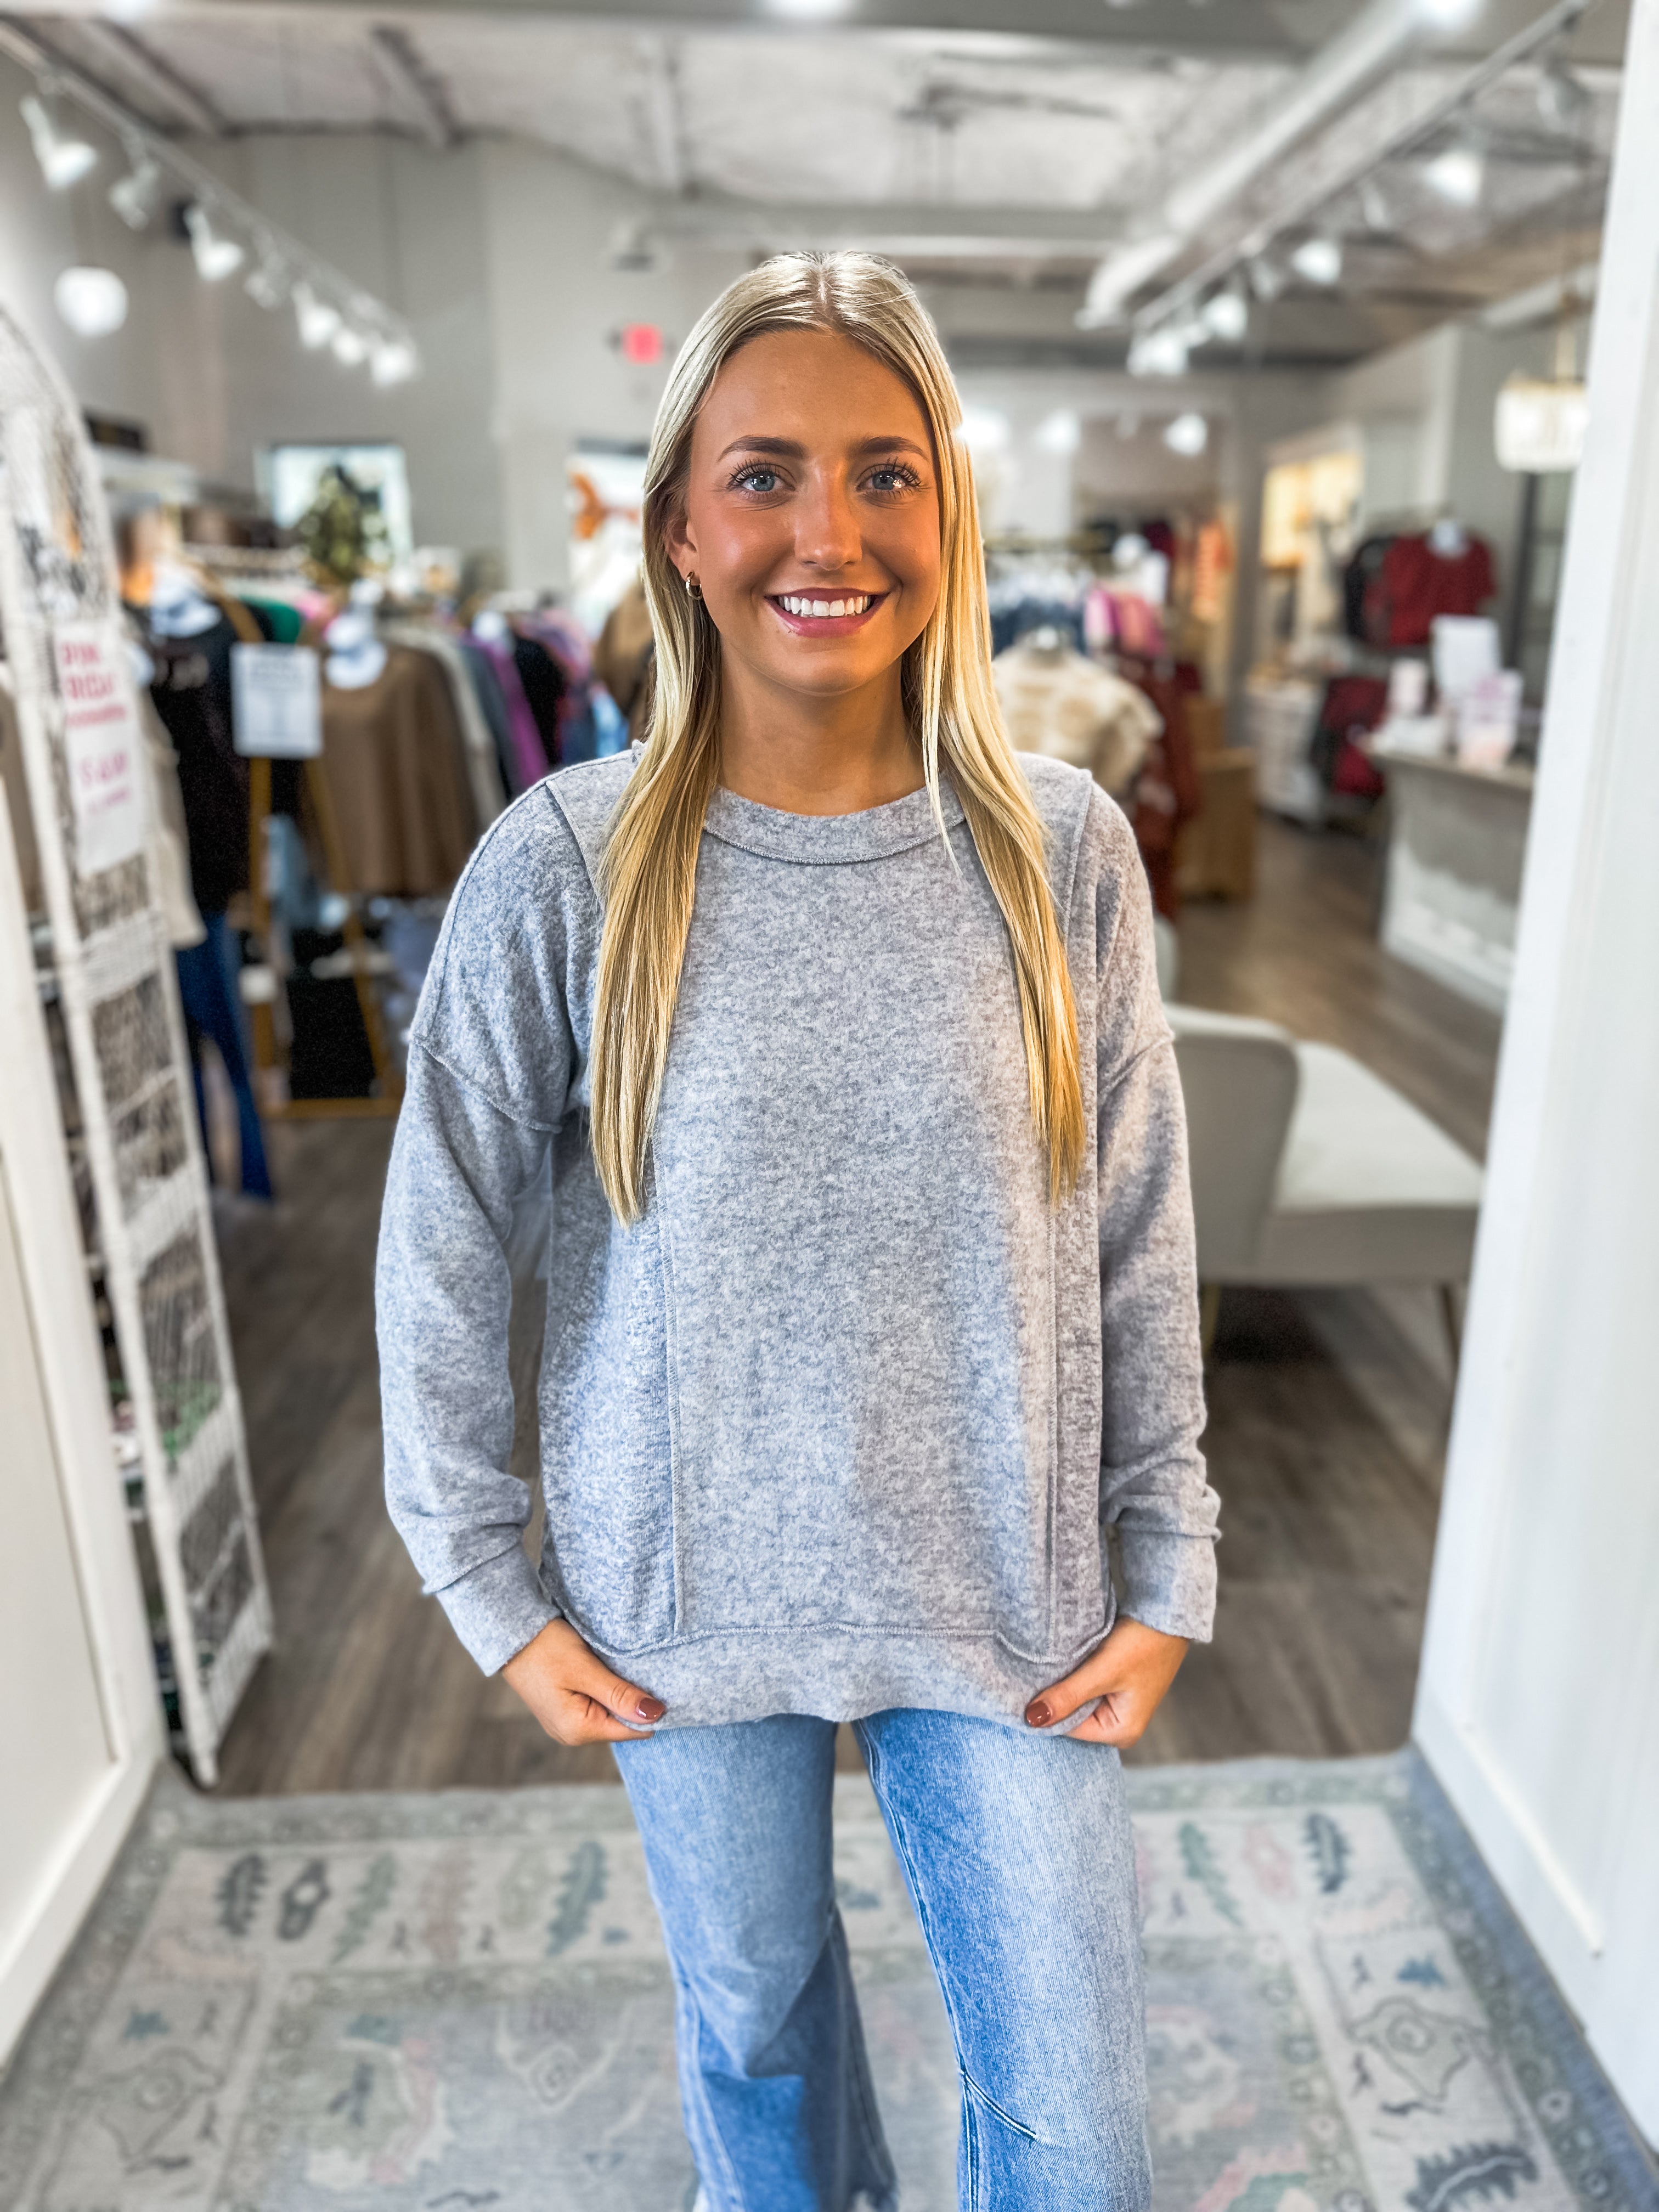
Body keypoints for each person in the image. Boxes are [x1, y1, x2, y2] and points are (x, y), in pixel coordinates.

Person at [378, 251, 1220, 2212]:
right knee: (757, 2040)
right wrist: (481, 1577)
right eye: (764, 475)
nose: (827, 534)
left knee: (1080, 2136)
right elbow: (443, 1240)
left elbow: (1139, 1225)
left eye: (883, 473)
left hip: (1006, 1589)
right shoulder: (567, 866)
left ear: (949, 512)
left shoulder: (1063, 851)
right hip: (683, 1601)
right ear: (680, 524)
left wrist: (1169, 1554)